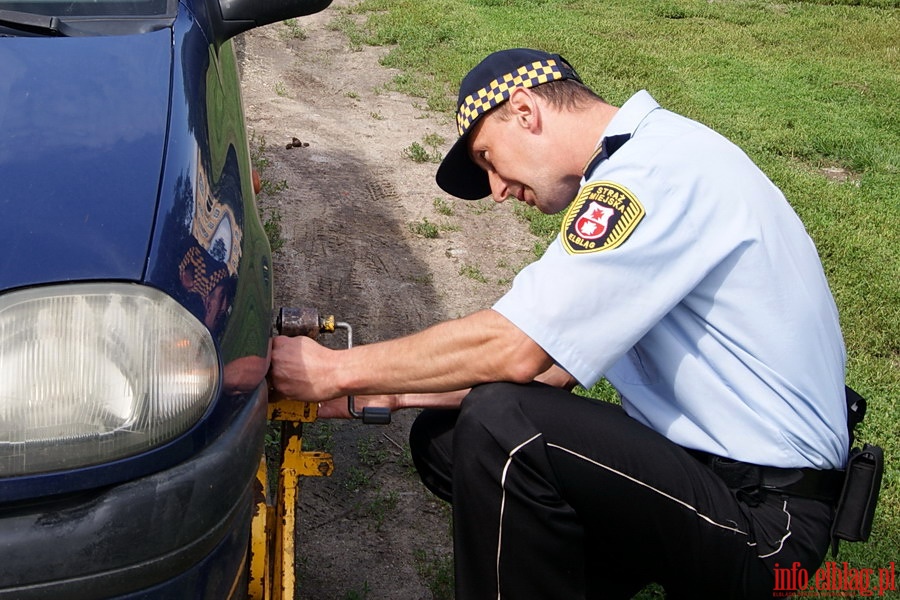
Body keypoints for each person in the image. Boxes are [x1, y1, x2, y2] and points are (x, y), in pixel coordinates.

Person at [271, 48, 849, 599]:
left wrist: (336, 371)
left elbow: (515, 348)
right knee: (447, 439)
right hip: (712, 480)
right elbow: (549, 371)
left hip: (770, 529)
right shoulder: (653, 158)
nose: (496, 192)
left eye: (487, 160)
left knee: (503, 422)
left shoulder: (650, 175)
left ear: (524, 110)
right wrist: (387, 393)